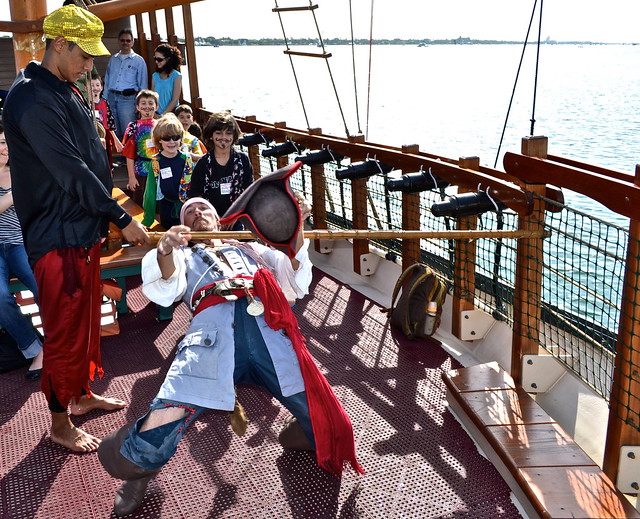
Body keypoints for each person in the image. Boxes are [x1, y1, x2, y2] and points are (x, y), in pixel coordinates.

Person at [98, 166, 363, 517]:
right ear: (183, 225)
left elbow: (292, 280)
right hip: (212, 339)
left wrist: (294, 227)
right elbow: (165, 290)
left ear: (219, 219)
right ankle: (139, 472)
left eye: (203, 208)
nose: (197, 212)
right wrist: (164, 249)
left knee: (330, 424)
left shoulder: (253, 249)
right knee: (163, 418)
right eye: (188, 211)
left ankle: (299, 432)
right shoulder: (182, 253)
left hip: (269, 333)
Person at [2, 4, 150, 453]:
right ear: (60, 44)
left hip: (80, 230)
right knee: (64, 331)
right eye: (85, 55)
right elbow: (68, 169)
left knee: (86, 323)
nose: (91, 64)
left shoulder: (63, 88)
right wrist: (122, 217)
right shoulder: (30, 98)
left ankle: (81, 395)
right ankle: (58, 421)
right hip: (57, 235)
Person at [0, 122, 44, 380]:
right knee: (0, 297)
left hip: (20, 243)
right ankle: (32, 347)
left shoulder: (22, 169)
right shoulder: (21, 179)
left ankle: (54, 344)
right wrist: (16, 193)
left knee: (42, 284)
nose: (3, 149)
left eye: (5, 143)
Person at [188, 111, 253, 216]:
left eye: (228, 133)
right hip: (210, 217)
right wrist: (212, 219)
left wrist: (237, 216)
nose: (224, 137)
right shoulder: (203, 163)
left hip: (238, 216)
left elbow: (249, 191)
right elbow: (195, 195)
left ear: (234, 136)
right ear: (210, 136)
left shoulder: (243, 160)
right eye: (218, 133)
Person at [142, 113, 194, 228]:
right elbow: (150, 191)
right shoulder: (156, 161)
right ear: (159, 140)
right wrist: (148, 219)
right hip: (166, 205)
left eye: (175, 137)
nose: (171, 142)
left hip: (185, 206)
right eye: (166, 138)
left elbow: (195, 185)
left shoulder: (186, 159)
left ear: (181, 138)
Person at [104, 28, 148, 139]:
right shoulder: (113, 59)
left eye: (128, 40)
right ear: (119, 41)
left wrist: (141, 105)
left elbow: (143, 85)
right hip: (111, 97)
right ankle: (118, 156)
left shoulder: (139, 61)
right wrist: (104, 100)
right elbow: (107, 81)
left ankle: (128, 156)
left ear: (132, 42)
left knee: (127, 132)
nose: (125, 43)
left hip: (128, 100)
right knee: (113, 131)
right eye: (122, 40)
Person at [121, 90, 159, 207]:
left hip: (159, 171)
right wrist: (132, 178)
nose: (147, 106)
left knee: (158, 203)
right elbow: (129, 155)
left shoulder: (161, 125)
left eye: (150, 103)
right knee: (140, 203)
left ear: (156, 106)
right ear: (137, 107)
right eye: (143, 103)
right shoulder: (133, 126)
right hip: (141, 171)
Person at [91, 73, 123, 172]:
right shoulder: (86, 103)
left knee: (107, 159)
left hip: (106, 135)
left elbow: (110, 123)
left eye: (97, 85)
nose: (95, 88)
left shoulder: (104, 102)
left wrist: (116, 141)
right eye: (92, 85)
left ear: (101, 87)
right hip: (94, 136)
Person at [151, 43, 182, 117]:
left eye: (159, 59)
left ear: (168, 59)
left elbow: (175, 99)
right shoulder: (155, 76)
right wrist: (154, 114)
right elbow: (152, 97)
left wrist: (163, 115)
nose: (156, 62)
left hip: (171, 115)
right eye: (155, 58)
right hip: (156, 114)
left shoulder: (176, 76)